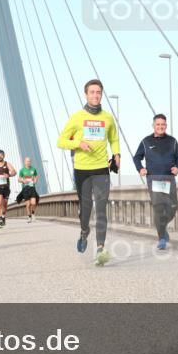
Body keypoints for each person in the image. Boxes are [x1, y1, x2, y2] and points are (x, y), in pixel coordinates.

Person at [57, 78, 120, 265]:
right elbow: (61, 141)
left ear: (101, 95)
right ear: (86, 94)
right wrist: (78, 143)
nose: (95, 95)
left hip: (101, 169)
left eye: (98, 92)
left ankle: (100, 249)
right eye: (92, 92)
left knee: (101, 209)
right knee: (85, 211)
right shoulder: (76, 117)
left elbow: (113, 139)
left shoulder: (108, 118)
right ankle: (84, 231)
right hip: (82, 170)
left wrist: (117, 154)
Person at [133, 114, 178, 250]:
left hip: (169, 179)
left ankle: (162, 227)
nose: (160, 127)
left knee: (173, 207)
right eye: (158, 124)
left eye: (163, 124)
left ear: (166, 126)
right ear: (153, 126)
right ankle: (161, 238)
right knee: (159, 207)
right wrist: (140, 168)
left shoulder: (172, 141)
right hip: (154, 179)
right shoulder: (146, 141)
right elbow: (137, 157)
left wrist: (177, 167)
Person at [0, 149, 16, 228]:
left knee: (5, 204)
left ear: (4, 156)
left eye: (1, 155)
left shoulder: (7, 164)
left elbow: (14, 172)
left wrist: (9, 175)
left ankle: (3, 216)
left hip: (6, 187)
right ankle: (0, 220)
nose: (0, 156)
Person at [17, 156, 41, 222]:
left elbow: (36, 176)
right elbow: (19, 179)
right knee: (28, 204)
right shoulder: (22, 170)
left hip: (32, 187)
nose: (28, 162)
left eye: (29, 161)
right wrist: (22, 180)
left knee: (33, 203)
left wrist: (35, 180)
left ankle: (33, 214)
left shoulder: (33, 169)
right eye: (27, 161)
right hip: (25, 188)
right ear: (25, 162)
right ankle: (29, 217)